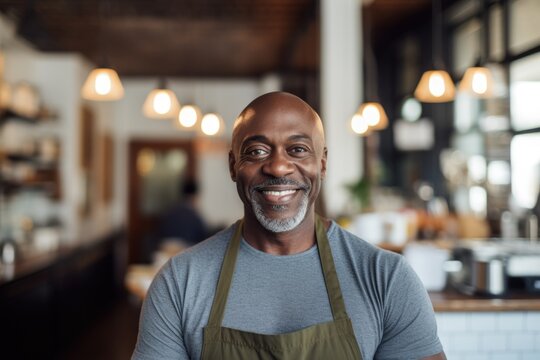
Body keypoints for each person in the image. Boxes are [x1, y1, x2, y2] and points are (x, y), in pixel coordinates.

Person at [132, 92, 446, 359]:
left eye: (297, 149)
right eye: (257, 151)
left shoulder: (386, 278)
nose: (278, 166)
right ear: (233, 166)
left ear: (322, 163)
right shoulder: (180, 283)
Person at [157, 178, 208, 247]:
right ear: (194, 196)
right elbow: (203, 238)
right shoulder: (194, 216)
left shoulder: (169, 211)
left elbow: (161, 233)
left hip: (165, 250)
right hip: (186, 251)